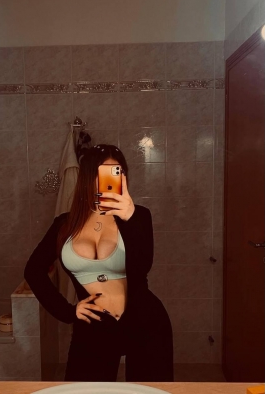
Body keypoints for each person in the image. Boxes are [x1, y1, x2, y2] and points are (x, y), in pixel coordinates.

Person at [24, 144, 174, 382]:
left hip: (145, 322)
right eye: (104, 172)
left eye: (118, 172)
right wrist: (67, 311)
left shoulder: (139, 216)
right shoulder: (64, 225)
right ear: (87, 177)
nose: (112, 179)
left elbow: (142, 267)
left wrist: (131, 219)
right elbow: (33, 270)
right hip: (93, 324)